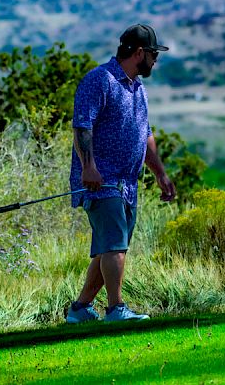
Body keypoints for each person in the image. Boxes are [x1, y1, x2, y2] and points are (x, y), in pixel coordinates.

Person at [66, 24, 176, 323]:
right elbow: (82, 126)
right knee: (115, 245)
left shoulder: (138, 88)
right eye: (153, 54)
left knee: (109, 248)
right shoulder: (99, 80)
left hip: (128, 184)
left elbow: (146, 134)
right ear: (139, 53)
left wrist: (160, 174)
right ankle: (116, 309)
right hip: (101, 182)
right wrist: (89, 166)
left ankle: (79, 309)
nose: (155, 61)